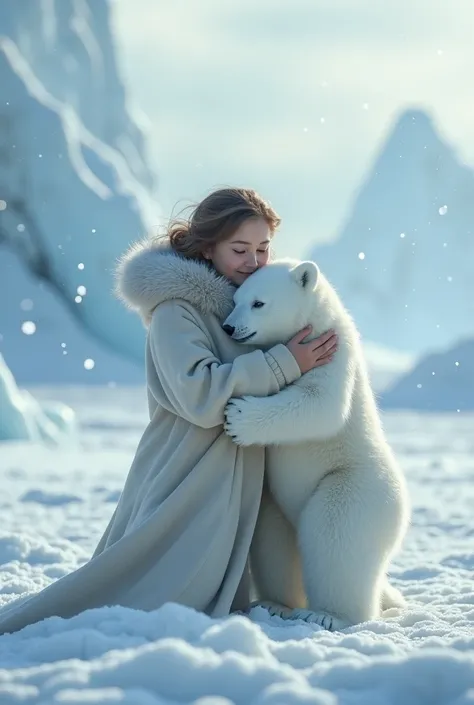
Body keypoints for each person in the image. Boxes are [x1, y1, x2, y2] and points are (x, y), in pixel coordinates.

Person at [0, 187, 337, 636]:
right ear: (207, 247)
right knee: (149, 594)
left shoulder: (243, 306)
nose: (254, 261)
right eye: (239, 249)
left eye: (262, 248)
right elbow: (200, 395)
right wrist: (285, 363)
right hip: (186, 479)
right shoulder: (176, 312)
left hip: (229, 483)